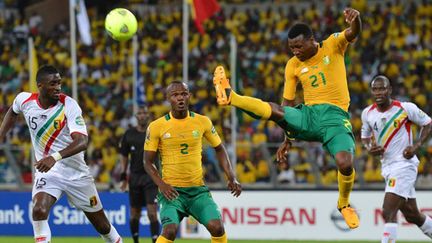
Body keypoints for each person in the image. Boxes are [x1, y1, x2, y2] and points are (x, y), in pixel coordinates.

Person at [212, 7, 361, 229]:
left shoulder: (333, 44)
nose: (295, 51)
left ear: (312, 40)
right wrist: (287, 138)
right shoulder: (293, 65)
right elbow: (288, 103)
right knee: (276, 110)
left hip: (336, 118)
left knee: (345, 163)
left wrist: (356, 19)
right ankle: (231, 96)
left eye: (299, 46)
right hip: (309, 116)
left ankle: (344, 204)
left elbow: (353, 32)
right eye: (291, 47)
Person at [0, 65, 122, 243]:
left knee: (102, 226)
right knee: (39, 210)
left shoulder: (69, 105)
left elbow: (82, 142)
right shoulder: (24, 100)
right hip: (49, 172)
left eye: (59, 83)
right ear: (40, 86)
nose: (58, 87)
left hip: (76, 173)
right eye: (53, 83)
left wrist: (54, 157)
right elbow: (12, 111)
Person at [144, 81, 242, 243]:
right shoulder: (157, 126)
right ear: (168, 98)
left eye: (183, 94)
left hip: (197, 192)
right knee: (169, 231)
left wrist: (231, 176)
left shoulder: (202, 121)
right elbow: (147, 162)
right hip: (172, 192)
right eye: (175, 95)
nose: (180, 98)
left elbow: (219, 148)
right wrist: (162, 185)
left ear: (189, 96)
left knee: (217, 227)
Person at [360, 75, 432, 242]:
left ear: (390, 90)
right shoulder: (367, 113)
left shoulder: (405, 108)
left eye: (382, 88)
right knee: (412, 215)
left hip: (404, 165)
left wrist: (416, 146)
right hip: (387, 167)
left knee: (388, 211)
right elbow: (364, 137)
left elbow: (428, 123)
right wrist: (369, 148)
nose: (378, 92)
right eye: (375, 89)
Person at [118, 106, 159, 243]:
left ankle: (155, 241)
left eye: (145, 113)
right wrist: (123, 176)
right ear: (136, 116)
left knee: (152, 212)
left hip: (151, 177)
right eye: (140, 113)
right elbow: (123, 155)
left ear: (148, 116)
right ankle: (136, 241)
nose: (142, 115)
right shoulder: (129, 134)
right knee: (134, 213)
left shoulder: (154, 132)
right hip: (134, 177)